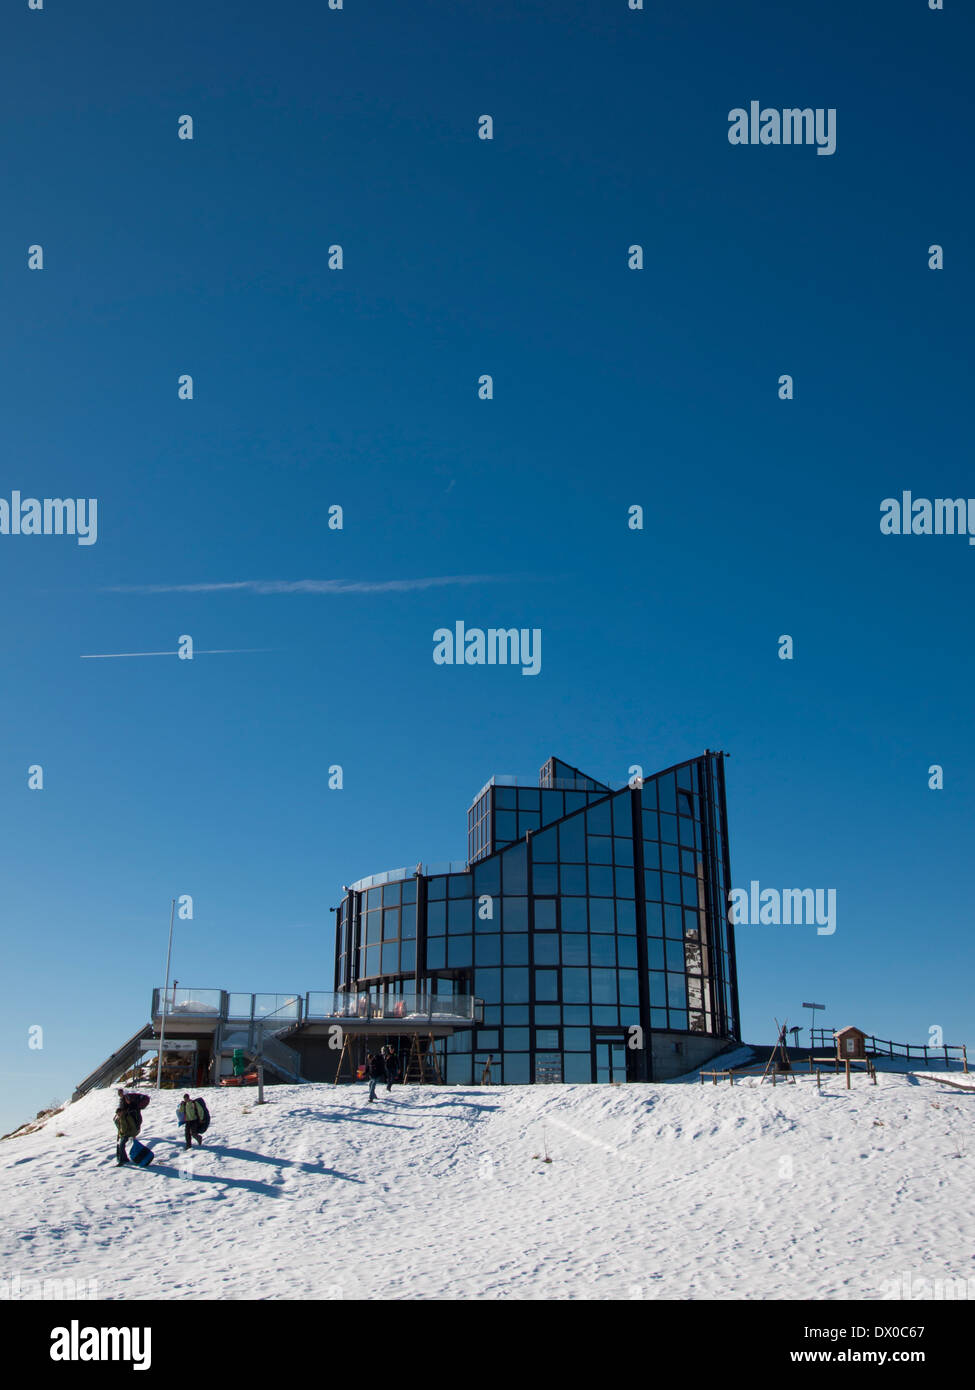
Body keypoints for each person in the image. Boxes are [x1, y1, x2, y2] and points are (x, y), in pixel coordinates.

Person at [114, 1090, 140, 1166]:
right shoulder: (119, 1119)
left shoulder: (127, 1116)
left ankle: (122, 1161)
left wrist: (133, 1134)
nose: (118, 1114)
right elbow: (120, 1128)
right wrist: (119, 1135)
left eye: (119, 1113)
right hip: (123, 1134)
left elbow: (132, 1125)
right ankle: (124, 1159)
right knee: (121, 1146)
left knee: (122, 1145)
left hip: (128, 1133)